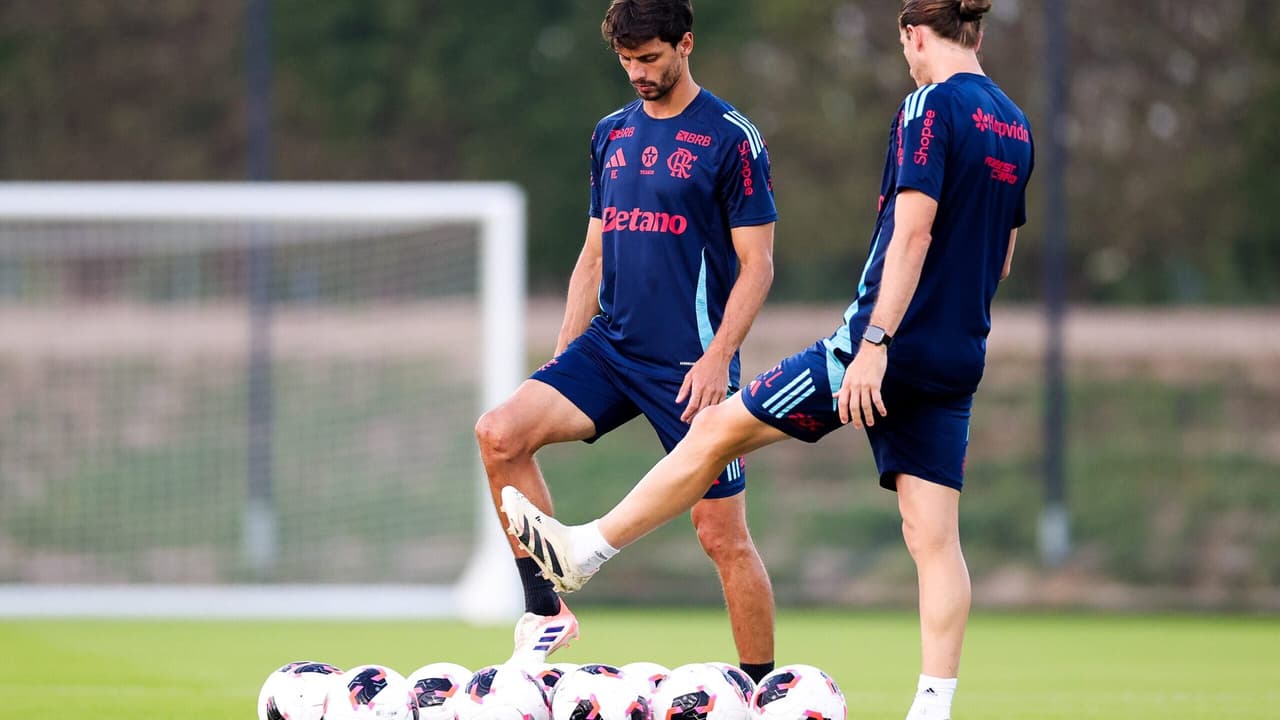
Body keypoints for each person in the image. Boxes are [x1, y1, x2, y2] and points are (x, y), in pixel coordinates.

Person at [500, 1, 1031, 718]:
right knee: (934, 540)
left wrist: (875, 344)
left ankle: (586, 550)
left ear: (914, 33)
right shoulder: (1015, 123)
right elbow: (1000, 257)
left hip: (878, 347)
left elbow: (912, 235)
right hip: (959, 353)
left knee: (717, 429)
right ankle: (932, 707)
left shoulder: (928, 107)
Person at [474, 0, 779, 681]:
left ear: (686, 44)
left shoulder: (732, 137)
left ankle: (762, 690)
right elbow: (592, 254)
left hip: (691, 365)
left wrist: (719, 358)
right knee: (500, 433)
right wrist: (561, 356)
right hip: (610, 349)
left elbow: (758, 265)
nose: (638, 73)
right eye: (626, 60)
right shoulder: (610, 133)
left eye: (650, 58)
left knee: (722, 537)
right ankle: (547, 612)